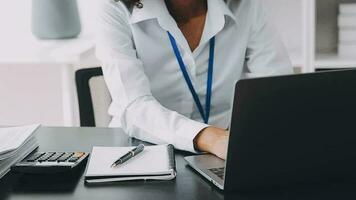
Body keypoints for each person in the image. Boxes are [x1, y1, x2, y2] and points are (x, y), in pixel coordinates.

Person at [95, 0, 293, 159]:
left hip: (224, 150)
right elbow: (134, 106)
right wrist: (209, 137)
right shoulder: (114, 8)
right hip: (139, 150)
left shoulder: (246, 5)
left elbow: (275, 88)